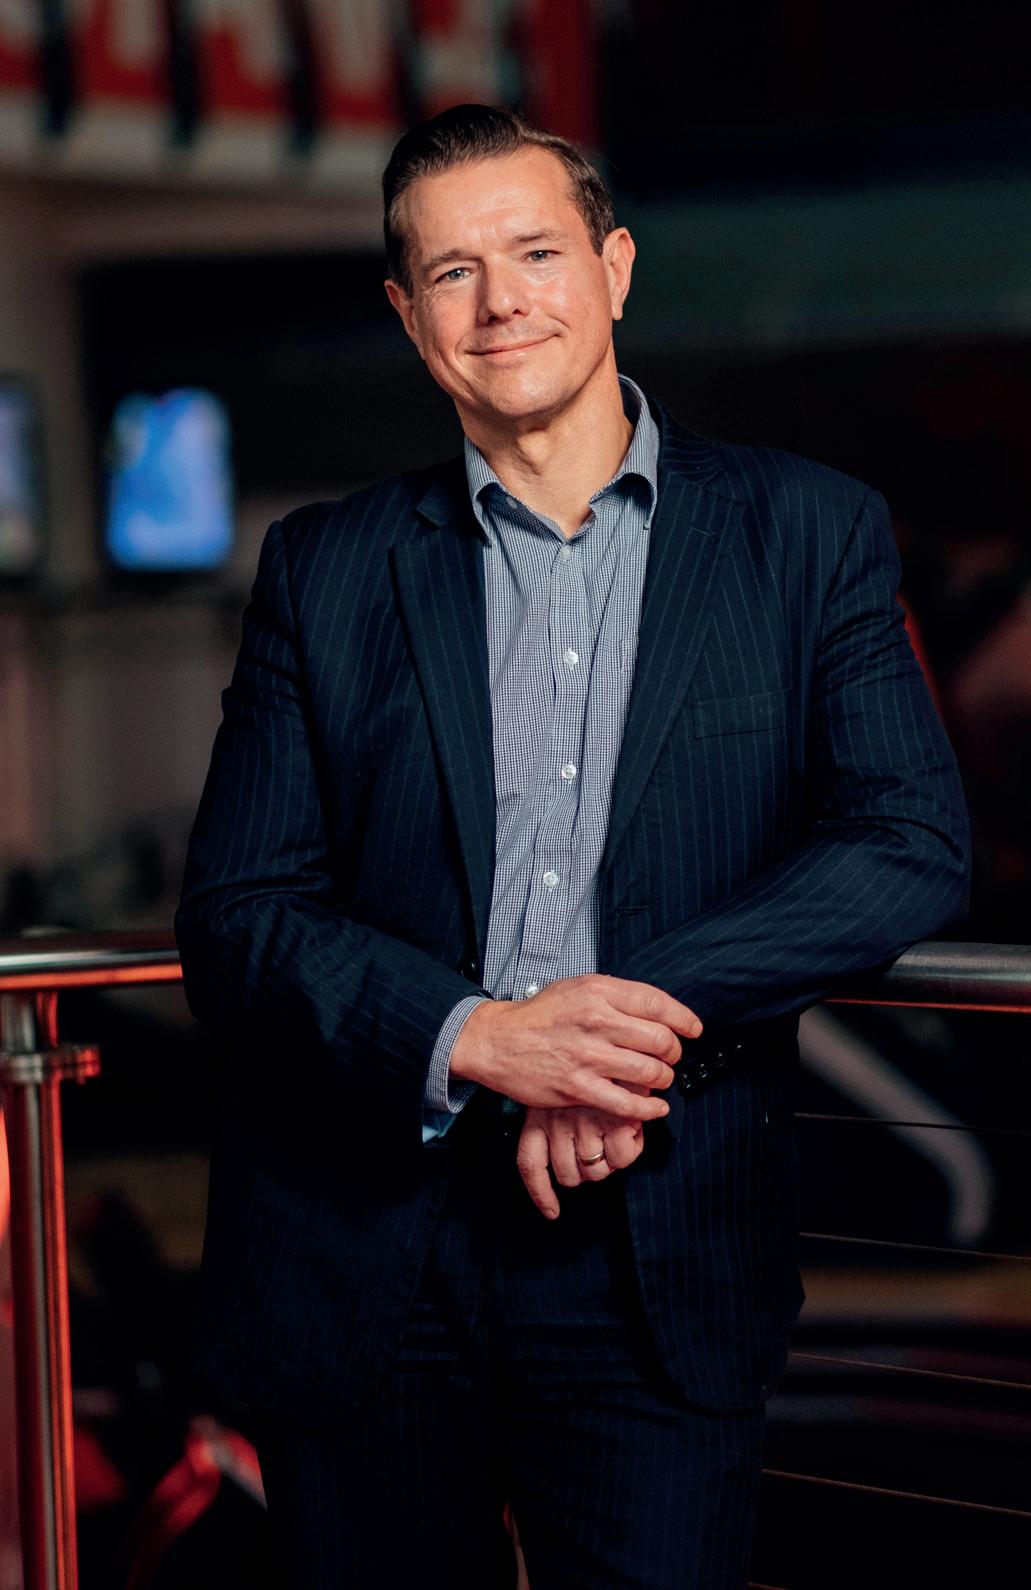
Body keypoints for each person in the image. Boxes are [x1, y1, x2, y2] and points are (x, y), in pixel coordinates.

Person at [175, 103, 970, 1589]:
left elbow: (907, 839)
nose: (502, 301)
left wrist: (611, 1028)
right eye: (453, 271)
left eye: (536, 253)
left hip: (659, 1247)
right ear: (409, 315)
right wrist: (480, 1039)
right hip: (364, 1257)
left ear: (613, 268)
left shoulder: (806, 533)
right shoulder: (324, 567)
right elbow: (237, 915)